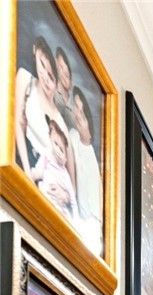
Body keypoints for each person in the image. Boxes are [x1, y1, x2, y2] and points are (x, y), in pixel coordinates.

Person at [15, 36, 75, 194]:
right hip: (22, 160)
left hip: (46, 184)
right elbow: (16, 125)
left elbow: (71, 179)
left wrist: (65, 195)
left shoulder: (60, 123)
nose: (45, 78)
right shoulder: (25, 79)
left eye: (51, 77)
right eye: (42, 65)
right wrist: (28, 172)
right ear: (36, 52)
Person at [68, 86, 102, 253]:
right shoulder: (72, 135)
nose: (77, 116)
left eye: (82, 114)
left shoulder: (92, 164)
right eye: (75, 107)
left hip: (88, 230)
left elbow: (93, 217)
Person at [32, 117, 77, 223]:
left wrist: (75, 221)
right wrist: (32, 174)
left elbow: (72, 200)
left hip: (59, 208)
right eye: (55, 144)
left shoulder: (65, 175)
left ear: (66, 158)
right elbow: (38, 172)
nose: (57, 150)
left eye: (61, 149)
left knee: (64, 216)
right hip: (45, 195)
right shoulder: (47, 155)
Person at [53, 46, 74, 131]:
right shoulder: (51, 91)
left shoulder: (74, 105)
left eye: (66, 74)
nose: (63, 75)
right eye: (61, 67)